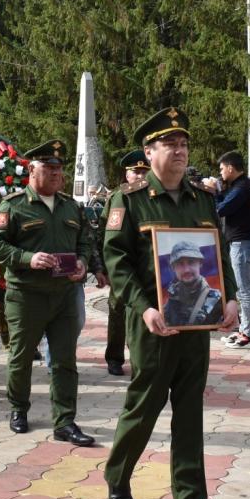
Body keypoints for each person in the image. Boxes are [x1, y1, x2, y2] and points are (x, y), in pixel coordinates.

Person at [102, 107, 237, 499]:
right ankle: (118, 477)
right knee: (144, 405)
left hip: (196, 327)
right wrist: (143, 307)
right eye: (169, 144)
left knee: (190, 412)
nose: (179, 151)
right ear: (149, 152)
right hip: (153, 325)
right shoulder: (129, 200)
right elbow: (116, 261)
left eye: (183, 144)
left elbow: (219, 254)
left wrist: (231, 298)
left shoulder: (202, 199)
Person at [0, 139, 94, 444]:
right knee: (21, 357)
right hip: (26, 295)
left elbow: (85, 242)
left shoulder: (71, 207)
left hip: (64, 295)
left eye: (59, 168)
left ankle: (65, 421)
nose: (56, 173)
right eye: (48, 168)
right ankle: (19, 409)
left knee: (64, 360)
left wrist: (83, 263)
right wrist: (27, 258)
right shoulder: (14, 205)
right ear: (32, 170)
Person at [207, 151, 250, 350]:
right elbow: (227, 205)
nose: (220, 173)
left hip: (243, 244)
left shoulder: (242, 188)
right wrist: (219, 193)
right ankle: (244, 329)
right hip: (243, 243)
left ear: (230, 167)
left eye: (221, 169)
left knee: (244, 291)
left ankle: (248, 336)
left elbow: (220, 210)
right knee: (243, 289)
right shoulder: (243, 185)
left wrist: (213, 192)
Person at [105, 150, 149, 376]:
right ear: (127, 174)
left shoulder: (152, 195)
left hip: (146, 267)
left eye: (144, 172)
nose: (140, 176)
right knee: (117, 313)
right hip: (123, 266)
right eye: (135, 172)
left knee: (142, 312)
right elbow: (106, 234)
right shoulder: (119, 197)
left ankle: (139, 358)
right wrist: (105, 269)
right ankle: (114, 357)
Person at [161, 241, 224, 327]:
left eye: (191, 262)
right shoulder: (171, 299)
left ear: (200, 264)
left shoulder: (217, 300)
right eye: (180, 264)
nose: (186, 270)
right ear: (173, 268)